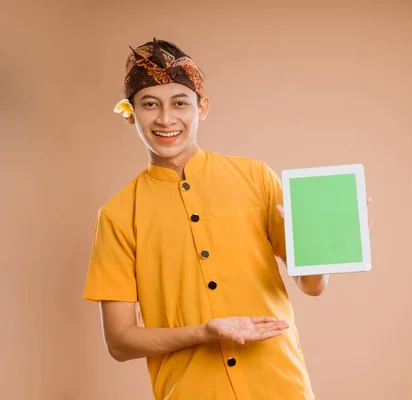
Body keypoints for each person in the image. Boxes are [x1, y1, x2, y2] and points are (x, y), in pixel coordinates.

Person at [83, 38, 372, 400]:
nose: (166, 119)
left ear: (202, 108)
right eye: (150, 105)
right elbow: (120, 342)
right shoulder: (118, 215)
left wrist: (324, 235)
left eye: (180, 103)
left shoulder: (256, 178)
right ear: (131, 113)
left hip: (280, 387)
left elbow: (312, 286)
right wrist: (206, 332)